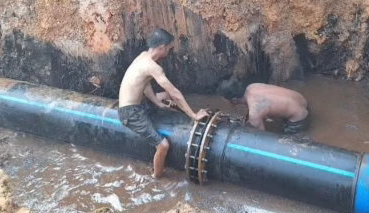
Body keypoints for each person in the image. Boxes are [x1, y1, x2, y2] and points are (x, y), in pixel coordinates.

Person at [118, 28, 209, 178]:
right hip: (130, 113)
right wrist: (194, 115)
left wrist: (156, 102)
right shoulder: (153, 67)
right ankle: (156, 177)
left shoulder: (143, 56)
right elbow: (175, 93)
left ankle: (181, 121)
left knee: (164, 96)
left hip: (138, 104)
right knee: (163, 145)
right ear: (162, 47)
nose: (168, 52)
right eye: (168, 48)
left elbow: (145, 84)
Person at [219, 79, 309, 133]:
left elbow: (263, 137)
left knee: (286, 137)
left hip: (299, 117)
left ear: (234, 100)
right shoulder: (252, 86)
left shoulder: (254, 114)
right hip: (301, 100)